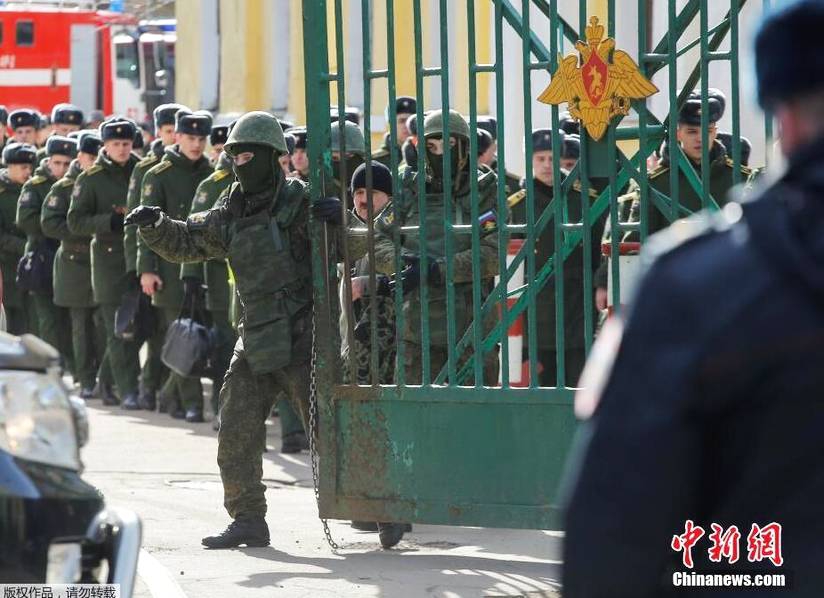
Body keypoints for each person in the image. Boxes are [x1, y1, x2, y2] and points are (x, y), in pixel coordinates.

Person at [562, 2, 824, 596]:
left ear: (783, 118)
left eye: (706, 128)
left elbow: (615, 519)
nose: (700, 136)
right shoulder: (656, 190)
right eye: (690, 128)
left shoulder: (689, 283)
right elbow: (626, 227)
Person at [125, 111, 342, 549]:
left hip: (303, 338)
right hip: (256, 336)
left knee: (332, 433)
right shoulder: (232, 206)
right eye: (234, 156)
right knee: (236, 431)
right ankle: (248, 518)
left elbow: (347, 250)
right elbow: (190, 241)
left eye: (247, 156)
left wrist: (338, 221)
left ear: (270, 156)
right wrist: (156, 225)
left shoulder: (302, 201)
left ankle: (375, 507)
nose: (239, 164)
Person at [374, 109, 500, 386]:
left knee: (476, 409)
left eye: (449, 144)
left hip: (472, 327)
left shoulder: (484, 188)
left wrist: (436, 269)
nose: (441, 153)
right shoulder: (408, 187)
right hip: (416, 328)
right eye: (432, 147)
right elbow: (377, 239)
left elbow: (493, 254)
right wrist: (406, 265)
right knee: (415, 409)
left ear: (464, 146)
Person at [508, 128, 603, 386]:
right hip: (537, 305)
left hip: (578, 301)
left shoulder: (584, 199)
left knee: (580, 381)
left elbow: (599, 248)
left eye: (552, 158)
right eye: (540, 159)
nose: (547, 165)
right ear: (531, 160)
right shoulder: (517, 205)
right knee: (543, 382)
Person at [137, 109, 213, 421]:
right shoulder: (158, 175)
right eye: (190, 137)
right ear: (177, 137)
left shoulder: (211, 173)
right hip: (169, 269)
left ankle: (170, 395)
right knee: (181, 334)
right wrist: (147, 269)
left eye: (201, 138)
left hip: (206, 266)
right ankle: (190, 402)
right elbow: (144, 229)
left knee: (200, 334)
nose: (196, 144)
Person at [68, 118, 142, 409]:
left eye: (126, 143)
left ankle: (107, 380)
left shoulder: (141, 170)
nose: (122, 149)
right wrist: (108, 221)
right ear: (105, 146)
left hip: (140, 256)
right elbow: (75, 221)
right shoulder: (91, 178)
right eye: (116, 144)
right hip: (108, 260)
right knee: (117, 328)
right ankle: (128, 390)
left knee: (142, 325)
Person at [42, 132, 111, 401]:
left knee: (104, 325)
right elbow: (50, 224)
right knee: (80, 326)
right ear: (80, 157)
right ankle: (85, 378)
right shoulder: (64, 188)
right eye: (90, 157)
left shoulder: (105, 182)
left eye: (98, 157)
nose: (94, 162)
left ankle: (106, 378)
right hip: (75, 262)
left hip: (104, 260)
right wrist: (84, 230)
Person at [124, 103, 185, 410]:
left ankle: (170, 393)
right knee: (156, 332)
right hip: (155, 262)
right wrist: (141, 268)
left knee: (179, 332)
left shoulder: (190, 165)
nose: (173, 136)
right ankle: (149, 387)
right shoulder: (146, 168)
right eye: (168, 131)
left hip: (183, 259)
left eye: (177, 131)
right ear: (159, 132)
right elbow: (137, 225)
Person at [628, 88, 752, 236]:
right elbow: (636, 242)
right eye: (692, 132)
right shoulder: (656, 183)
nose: (700, 138)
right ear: (677, 134)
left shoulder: (740, 177)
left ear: (715, 132)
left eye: (707, 131)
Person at [182, 150, 234, 431]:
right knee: (224, 347)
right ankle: (221, 407)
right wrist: (190, 275)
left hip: (260, 279)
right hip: (219, 280)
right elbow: (195, 231)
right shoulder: (213, 185)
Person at [16, 136, 77, 363]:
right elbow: (26, 221)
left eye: (67, 163)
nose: (61, 168)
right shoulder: (35, 186)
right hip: (41, 257)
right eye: (57, 163)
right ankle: (50, 363)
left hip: (70, 258)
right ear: (48, 161)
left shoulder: (77, 184)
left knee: (69, 318)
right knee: (48, 319)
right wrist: (56, 225)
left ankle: (69, 364)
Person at [0, 143, 36, 334]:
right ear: (10, 166)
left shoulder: (33, 189)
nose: (28, 172)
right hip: (6, 266)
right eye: (23, 167)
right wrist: (25, 246)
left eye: (29, 167)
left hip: (32, 267)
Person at [476, 115, 520, 195]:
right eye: (475, 144)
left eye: (485, 143)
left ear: (495, 147)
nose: (479, 150)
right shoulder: (457, 182)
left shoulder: (515, 186)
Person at [372, 96, 416, 169]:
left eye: (411, 121)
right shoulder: (375, 162)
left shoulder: (425, 157)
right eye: (402, 121)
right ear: (391, 125)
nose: (407, 125)